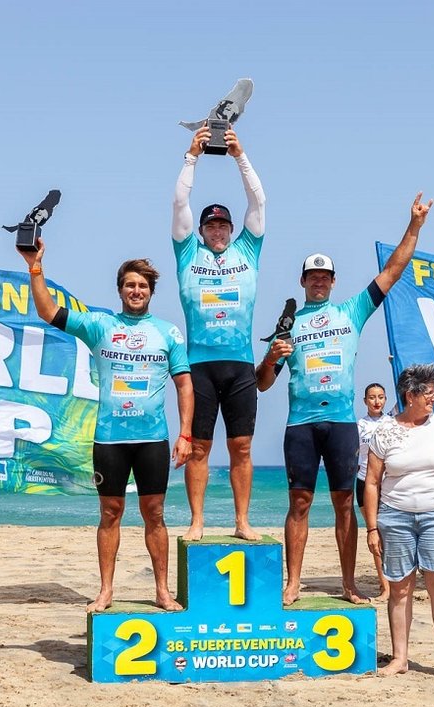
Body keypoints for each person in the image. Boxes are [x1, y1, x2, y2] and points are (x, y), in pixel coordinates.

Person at [257, 192, 433, 606]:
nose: (319, 281)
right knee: (299, 503)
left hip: (340, 423)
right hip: (300, 424)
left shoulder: (351, 312)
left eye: (325, 276)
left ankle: (349, 583)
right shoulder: (287, 324)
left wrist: (414, 226)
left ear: (333, 282)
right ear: (303, 282)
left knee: (343, 505)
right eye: (312, 276)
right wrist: (269, 356)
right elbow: (262, 383)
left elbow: (392, 271)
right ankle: (294, 582)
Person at [20, 239, 193, 612]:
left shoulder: (168, 333)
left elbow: (184, 385)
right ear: (120, 290)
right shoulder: (100, 325)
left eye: (143, 286)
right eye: (130, 284)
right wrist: (35, 268)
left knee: (155, 514)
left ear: (151, 292)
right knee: (110, 513)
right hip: (110, 439)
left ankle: (162, 591)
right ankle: (106, 591)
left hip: (152, 440)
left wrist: (185, 434)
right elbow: (48, 311)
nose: (136, 291)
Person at [173, 125, 266, 541]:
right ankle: (197, 521)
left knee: (241, 448)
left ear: (231, 229)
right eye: (210, 226)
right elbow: (179, 202)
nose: (216, 231)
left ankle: (242, 521)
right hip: (200, 367)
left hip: (240, 365)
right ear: (201, 231)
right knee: (198, 448)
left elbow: (258, 201)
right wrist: (191, 157)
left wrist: (240, 157)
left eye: (222, 226)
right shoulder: (187, 253)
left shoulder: (247, 250)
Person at [363, 364, 434, 680]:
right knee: (399, 588)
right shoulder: (384, 431)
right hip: (394, 516)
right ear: (411, 395)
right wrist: (372, 527)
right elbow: (371, 482)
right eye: (429, 392)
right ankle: (400, 659)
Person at [357, 383, 390, 600]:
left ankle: (399, 580)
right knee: (375, 534)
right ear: (365, 401)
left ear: (386, 399)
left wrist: (392, 362)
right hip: (364, 482)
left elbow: (406, 393)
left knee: (394, 534)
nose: (376, 401)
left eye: (380, 397)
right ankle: (385, 586)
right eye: (371, 397)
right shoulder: (358, 426)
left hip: (390, 484)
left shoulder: (394, 422)